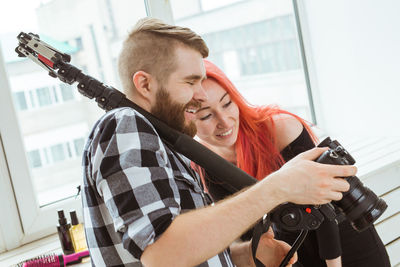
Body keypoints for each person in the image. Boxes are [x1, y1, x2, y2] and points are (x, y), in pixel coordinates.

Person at [81, 18, 356, 267]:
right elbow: (162, 254)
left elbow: (181, 251)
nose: (200, 94)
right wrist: (278, 186)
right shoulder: (125, 124)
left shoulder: (163, 146)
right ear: (145, 84)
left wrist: (243, 255)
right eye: (190, 82)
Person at [193, 59, 391, 267]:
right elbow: (249, 237)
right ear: (187, 118)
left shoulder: (281, 130)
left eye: (227, 103)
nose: (224, 121)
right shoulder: (204, 164)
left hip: (342, 242)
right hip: (289, 252)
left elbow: (324, 209)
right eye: (206, 115)